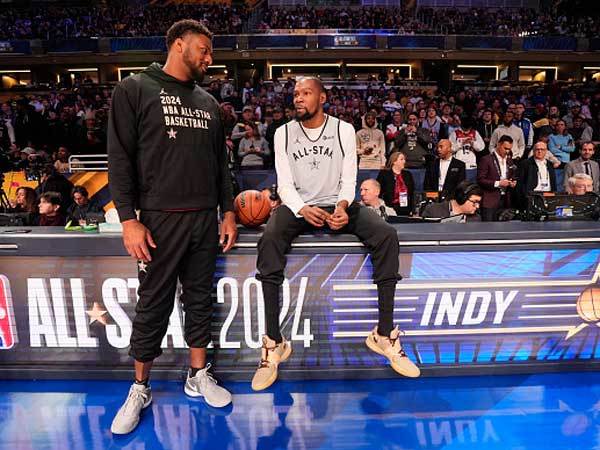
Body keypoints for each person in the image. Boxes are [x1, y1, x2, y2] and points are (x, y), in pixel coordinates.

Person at [107, 19, 237, 435]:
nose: (208, 58)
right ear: (178, 45)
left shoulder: (208, 102)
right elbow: (120, 159)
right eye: (203, 49)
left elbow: (221, 165)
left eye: (210, 52)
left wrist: (228, 210)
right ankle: (140, 387)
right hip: (158, 220)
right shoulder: (134, 89)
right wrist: (129, 219)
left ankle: (198, 375)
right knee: (153, 306)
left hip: (204, 218)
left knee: (200, 300)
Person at [251, 77, 420, 392]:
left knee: (385, 234)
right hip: (300, 205)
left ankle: (384, 334)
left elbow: (349, 177)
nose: (298, 98)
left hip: (339, 202)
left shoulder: (343, 128)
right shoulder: (283, 133)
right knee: (269, 239)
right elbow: (284, 183)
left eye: (306, 93)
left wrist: (343, 205)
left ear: (322, 97)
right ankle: (273, 343)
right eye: (296, 94)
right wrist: (301, 209)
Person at [477, 135, 517, 222]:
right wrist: (498, 183)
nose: (507, 151)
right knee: (488, 230)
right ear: (498, 144)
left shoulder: (509, 161)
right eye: (505, 148)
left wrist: (513, 182)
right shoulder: (486, 159)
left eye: (509, 149)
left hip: (505, 200)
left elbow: (512, 176)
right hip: (490, 201)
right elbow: (480, 180)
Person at [517, 141, 557, 207]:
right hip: (532, 196)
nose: (540, 151)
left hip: (548, 195)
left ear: (546, 151)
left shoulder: (550, 164)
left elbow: (553, 182)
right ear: (533, 150)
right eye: (537, 149)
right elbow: (520, 184)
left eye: (542, 149)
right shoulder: (525, 164)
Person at [377, 151, 415, 216]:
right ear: (394, 161)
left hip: (406, 208)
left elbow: (412, 193)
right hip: (389, 207)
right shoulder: (384, 174)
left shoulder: (408, 174)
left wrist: (413, 209)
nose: (404, 161)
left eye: (404, 159)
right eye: (401, 159)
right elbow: (378, 191)